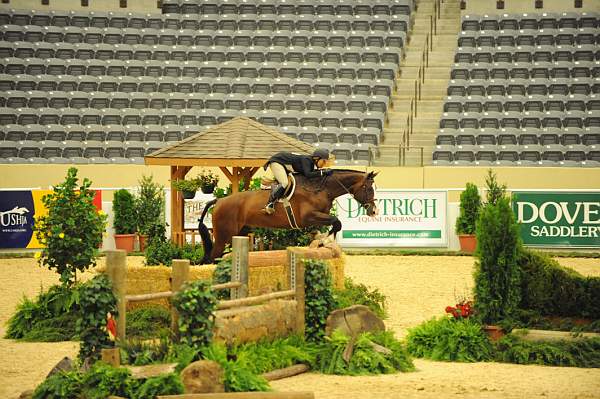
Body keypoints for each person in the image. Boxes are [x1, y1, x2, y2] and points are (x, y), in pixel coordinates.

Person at [262, 148, 334, 214]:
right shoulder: (307, 160)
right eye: (324, 161)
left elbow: (310, 175)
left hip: (284, 165)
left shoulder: (310, 163)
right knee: (284, 182)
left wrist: (323, 172)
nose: (324, 164)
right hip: (277, 162)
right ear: (317, 158)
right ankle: (269, 204)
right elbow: (308, 174)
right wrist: (323, 172)